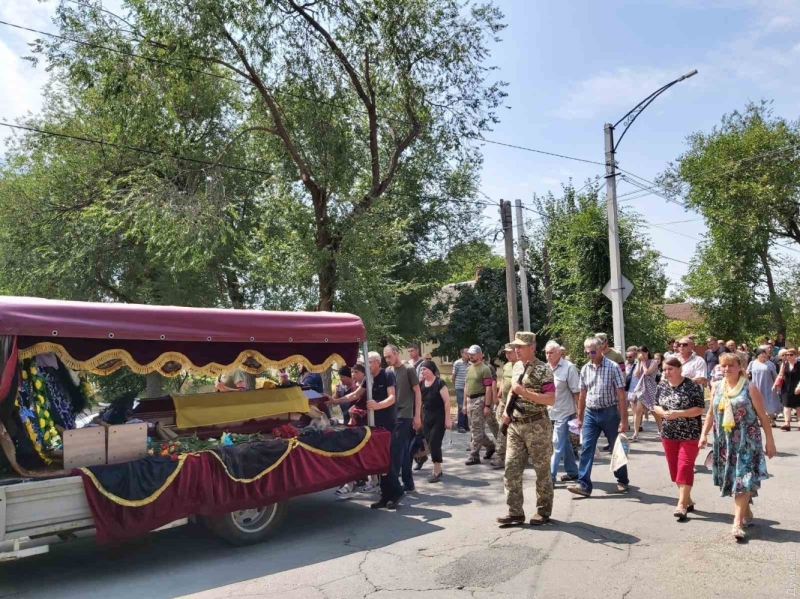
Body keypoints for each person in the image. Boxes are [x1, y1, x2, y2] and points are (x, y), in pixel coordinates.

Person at [699, 352, 776, 540]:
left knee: (742, 479)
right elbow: (710, 413)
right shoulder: (717, 387)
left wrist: (770, 441)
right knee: (735, 480)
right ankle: (746, 513)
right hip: (724, 442)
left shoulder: (750, 388)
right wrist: (703, 435)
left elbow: (763, 416)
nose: (726, 369)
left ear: (740, 366)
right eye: (723, 366)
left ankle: (736, 523)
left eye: (731, 365)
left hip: (746, 441)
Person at [496, 332, 556, 526]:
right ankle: (515, 512)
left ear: (532, 347)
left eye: (520, 347)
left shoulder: (543, 370)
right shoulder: (516, 367)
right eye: (515, 347)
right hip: (516, 425)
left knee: (542, 470)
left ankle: (543, 511)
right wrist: (506, 411)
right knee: (511, 468)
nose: (516, 350)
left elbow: (550, 399)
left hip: (537, 425)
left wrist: (525, 393)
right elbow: (512, 395)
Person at [334, 352, 400, 509]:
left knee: (387, 459)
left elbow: (392, 397)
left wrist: (378, 405)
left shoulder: (388, 374)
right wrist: (334, 400)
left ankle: (396, 492)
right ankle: (385, 496)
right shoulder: (368, 378)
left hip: (387, 423)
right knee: (379, 459)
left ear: (377, 362)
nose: (366, 365)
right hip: (374, 423)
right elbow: (356, 394)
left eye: (369, 362)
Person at [568, 336, 630, 498]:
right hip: (590, 413)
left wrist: (624, 420)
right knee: (587, 448)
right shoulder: (585, 369)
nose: (590, 354)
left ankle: (622, 480)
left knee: (616, 447)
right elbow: (582, 394)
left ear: (601, 349)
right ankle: (584, 485)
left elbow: (621, 395)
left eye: (593, 351)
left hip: (609, 412)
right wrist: (579, 417)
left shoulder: (613, 367)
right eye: (587, 351)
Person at [653, 358, 705, 521]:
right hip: (669, 433)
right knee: (674, 469)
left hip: (689, 433)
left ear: (680, 369)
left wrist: (679, 413)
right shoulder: (661, 385)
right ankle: (687, 499)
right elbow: (655, 405)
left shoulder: (692, 386)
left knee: (685, 466)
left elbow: (699, 409)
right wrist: (662, 412)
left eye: (670, 369)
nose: (666, 373)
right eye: (664, 370)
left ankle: (681, 505)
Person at [383, 345, 422, 492]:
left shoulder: (408, 369)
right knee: (404, 450)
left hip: (405, 414)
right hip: (391, 415)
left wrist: (417, 416)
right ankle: (408, 483)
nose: (387, 360)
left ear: (396, 354)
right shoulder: (388, 371)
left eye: (389, 356)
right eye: (385, 357)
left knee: (396, 449)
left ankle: (394, 486)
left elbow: (418, 393)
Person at [545, 340, 580, 484]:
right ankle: (573, 472)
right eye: (546, 353)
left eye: (551, 353)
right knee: (563, 443)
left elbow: (577, 392)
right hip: (548, 412)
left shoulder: (569, 368)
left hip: (564, 412)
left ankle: (550, 478)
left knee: (556, 443)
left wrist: (579, 412)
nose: (548, 355)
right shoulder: (545, 368)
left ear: (559, 353)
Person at [464, 345, 498, 465]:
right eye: (469, 354)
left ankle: (474, 455)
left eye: (473, 354)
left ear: (479, 354)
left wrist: (487, 405)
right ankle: (490, 446)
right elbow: (466, 386)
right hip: (470, 399)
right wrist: (464, 404)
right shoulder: (468, 368)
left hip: (480, 399)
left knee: (477, 429)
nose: (470, 356)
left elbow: (488, 388)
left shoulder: (485, 369)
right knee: (473, 428)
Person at [418, 360, 451, 483]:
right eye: (421, 370)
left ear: (431, 369)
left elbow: (447, 401)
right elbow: (420, 403)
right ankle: (437, 468)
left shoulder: (439, 383)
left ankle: (437, 471)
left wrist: (448, 419)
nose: (422, 371)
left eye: (424, 369)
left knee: (434, 443)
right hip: (427, 419)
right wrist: (419, 418)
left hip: (439, 418)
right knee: (429, 442)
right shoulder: (421, 384)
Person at [492, 344, 519, 470]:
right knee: (502, 428)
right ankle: (502, 455)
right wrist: (500, 390)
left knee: (508, 429)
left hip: (516, 403)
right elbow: (503, 379)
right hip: (504, 401)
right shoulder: (507, 365)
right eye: (506, 353)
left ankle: (501, 456)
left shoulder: (521, 365)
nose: (507, 355)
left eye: (510, 352)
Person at [628, 346, 660, 441]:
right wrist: (639, 363)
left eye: (642, 353)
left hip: (651, 389)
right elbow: (636, 374)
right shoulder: (639, 362)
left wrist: (643, 363)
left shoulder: (653, 362)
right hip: (641, 390)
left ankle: (661, 430)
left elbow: (647, 372)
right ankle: (635, 433)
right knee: (638, 412)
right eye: (639, 353)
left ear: (647, 353)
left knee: (655, 411)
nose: (641, 355)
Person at [747, 348, 781, 427]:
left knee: (769, 403)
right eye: (762, 354)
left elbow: (775, 375)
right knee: (758, 403)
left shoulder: (770, 364)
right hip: (756, 386)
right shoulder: (752, 363)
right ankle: (760, 420)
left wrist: (776, 385)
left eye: (764, 353)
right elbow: (747, 373)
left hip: (768, 386)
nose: (764, 355)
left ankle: (771, 420)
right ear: (757, 355)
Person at [777, 347, 800, 431]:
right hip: (786, 387)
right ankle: (787, 423)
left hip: (797, 386)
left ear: (796, 355)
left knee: (798, 405)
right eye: (787, 355)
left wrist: (799, 387)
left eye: (791, 355)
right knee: (786, 404)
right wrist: (775, 385)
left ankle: (799, 422)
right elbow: (780, 375)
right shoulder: (784, 364)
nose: (788, 356)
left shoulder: (799, 364)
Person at [452, 348, 470, 433]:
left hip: (468, 388)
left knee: (466, 406)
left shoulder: (470, 364)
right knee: (461, 406)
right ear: (462, 354)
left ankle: (466, 425)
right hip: (460, 387)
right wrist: (455, 385)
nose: (468, 354)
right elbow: (453, 376)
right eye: (466, 353)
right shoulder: (457, 363)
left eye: (469, 353)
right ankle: (460, 426)